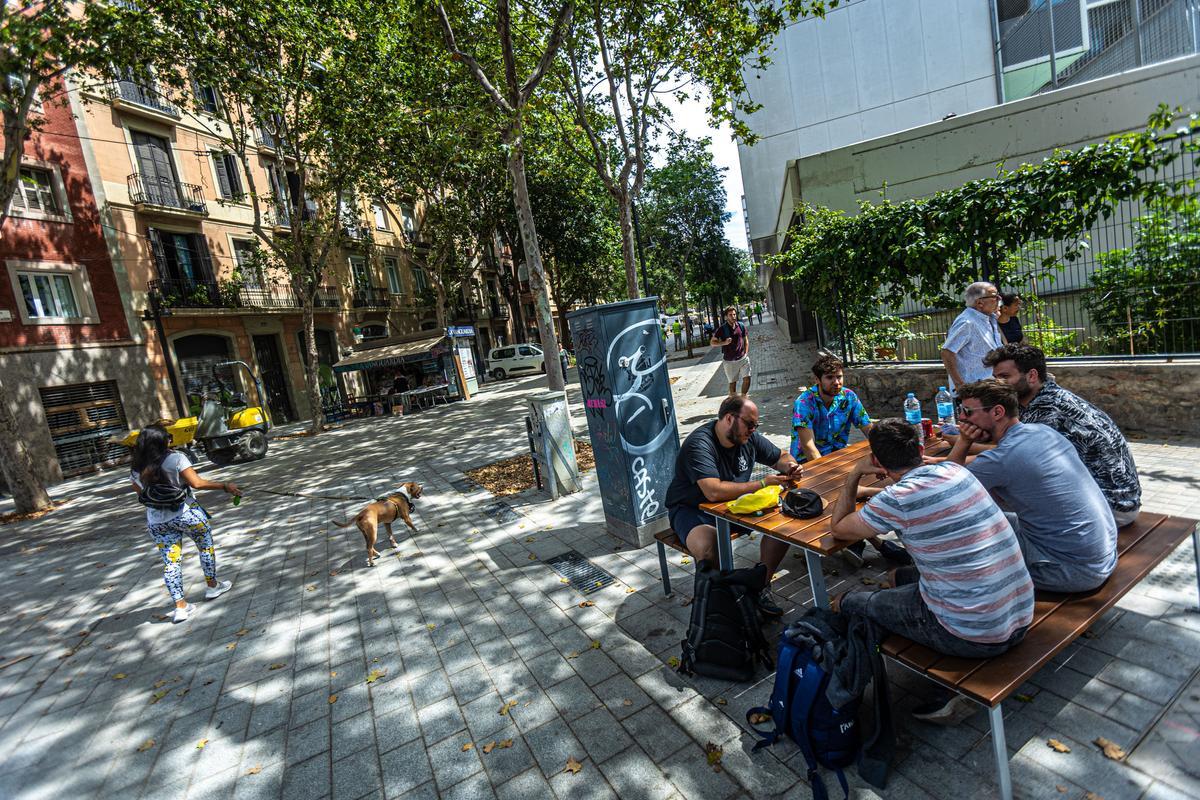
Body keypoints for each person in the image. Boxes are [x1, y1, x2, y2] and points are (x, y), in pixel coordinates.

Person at [829, 419, 1034, 725]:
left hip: (975, 635)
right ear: (921, 448)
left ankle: (860, 694)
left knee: (847, 601)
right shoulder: (956, 471)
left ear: (876, 461)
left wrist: (854, 475)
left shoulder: (896, 498)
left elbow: (839, 529)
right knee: (898, 577)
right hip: (1021, 613)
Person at [948, 379, 1118, 593]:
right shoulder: (1042, 431)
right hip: (1102, 556)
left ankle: (930, 581)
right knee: (988, 516)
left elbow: (942, 491)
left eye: (967, 411)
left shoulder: (1002, 459)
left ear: (998, 412)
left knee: (963, 527)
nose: (962, 417)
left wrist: (963, 442)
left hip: (1072, 571)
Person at [664, 395, 802, 617]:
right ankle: (722, 603)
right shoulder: (699, 444)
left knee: (785, 523)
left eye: (756, 425)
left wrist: (792, 467)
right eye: (750, 424)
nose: (753, 429)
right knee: (709, 545)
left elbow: (781, 457)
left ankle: (760, 586)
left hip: (736, 506)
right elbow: (713, 490)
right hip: (692, 509)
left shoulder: (748, 437)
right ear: (729, 418)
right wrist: (762, 483)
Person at [984, 343, 1141, 526]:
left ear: (1032, 376)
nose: (997, 384)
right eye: (995, 377)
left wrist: (962, 446)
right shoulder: (1042, 397)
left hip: (1110, 508)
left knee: (993, 490)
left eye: (1004, 377)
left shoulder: (1048, 410)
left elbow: (1010, 456)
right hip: (1120, 500)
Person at [790, 354, 910, 566]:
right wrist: (830, 476)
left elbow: (869, 430)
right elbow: (809, 448)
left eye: (839, 377)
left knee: (882, 481)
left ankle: (858, 540)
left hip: (840, 459)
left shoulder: (849, 397)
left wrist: (883, 457)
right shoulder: (804, 403)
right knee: (845, 491)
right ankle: (877, 544)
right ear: (817, 380)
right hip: (809, 466)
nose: (836, 382)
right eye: (830, 378)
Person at [130, 425, 240, 623]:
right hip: (187, 513)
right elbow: (197, 483)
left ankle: (180, 606)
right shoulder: (176, 458)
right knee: (205, 548)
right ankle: (212, 586)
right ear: (163, 441)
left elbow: (143, 496)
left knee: (171, 562)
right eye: (168, 437)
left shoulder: (136, 468)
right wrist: (225, 486)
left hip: (157, 521)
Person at [940, 282, 1002, 391]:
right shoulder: (967, 322)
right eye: (994, 296)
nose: (999, 299)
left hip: (990, 385)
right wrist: (960, 386)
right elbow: (947, 353)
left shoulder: (989, 318)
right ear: (979, 303)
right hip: (974, 390)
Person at [711, 306, 751, 396]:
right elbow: (712, 343)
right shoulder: (722, 329)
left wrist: (746, 353)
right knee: (733, 383)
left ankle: (743, 398)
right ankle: (734, 401)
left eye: (734, 314)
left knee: (747, 378)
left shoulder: (740, 325)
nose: (733, 316)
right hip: (729, 361)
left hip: (743, 358)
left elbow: (746, 340)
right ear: (726, 317)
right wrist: (724, 342)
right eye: (730, 315)